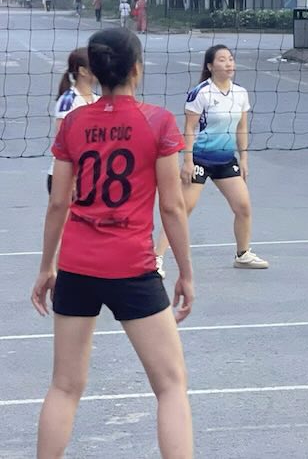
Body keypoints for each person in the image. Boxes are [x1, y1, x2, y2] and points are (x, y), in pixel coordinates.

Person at [30, 27, 195, 459]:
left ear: (96, 71)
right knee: (171, 385)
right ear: (136, 69)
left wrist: (47, 266)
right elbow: (173, 208)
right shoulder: (157, 120)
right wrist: (186, 273)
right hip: (132, 268)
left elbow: (58, 204)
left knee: (64, 386)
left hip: (78, 265)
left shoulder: (75, 121)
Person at [155, 44, 268, 272]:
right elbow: (188, 128)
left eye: (231, 59)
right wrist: (187, 161)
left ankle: (243, 254)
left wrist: (244, 158)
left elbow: (242, 128)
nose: (229, 64)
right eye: (222, 60)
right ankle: (156, 259)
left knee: (243, 206)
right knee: (182, 209)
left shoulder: (240, 93)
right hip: (199, 159)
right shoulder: (201, 93)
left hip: (226, 160)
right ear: (210, 66)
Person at [47, 48, 98, 194]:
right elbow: (62, 141)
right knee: (64, 217)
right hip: (66, 175)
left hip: (89, 175)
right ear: (83, 71)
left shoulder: (97, 100)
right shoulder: (69, 102)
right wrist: (74, 177)